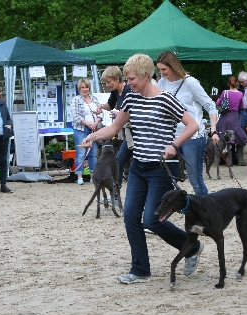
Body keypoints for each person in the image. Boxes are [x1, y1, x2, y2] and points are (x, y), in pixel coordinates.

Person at [81, 53, 202, 284]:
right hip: (138, 166)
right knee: (130, 217)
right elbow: (115, 127)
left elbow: (193, 125)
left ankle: (192, 246)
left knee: (152, 220)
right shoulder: (130, 99)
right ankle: (140, 270)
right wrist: (93, 137)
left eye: (132, 78)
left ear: (146, 76)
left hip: (162, 168)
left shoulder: (166, 99)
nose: (129, 83)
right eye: (127, 79)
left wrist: (174, 145)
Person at [156, 51, 219, 195]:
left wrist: (214, 130)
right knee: (168, 177)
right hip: (171, 137)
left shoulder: (190, 82)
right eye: (159, 69)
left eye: (163, 69)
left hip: (193, 137)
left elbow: (210, 105)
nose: (161, 73)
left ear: (172, 66)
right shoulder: (161, 83)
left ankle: (206, 212)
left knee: (195, 179)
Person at [96, 66, 133, 190]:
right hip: (127, 133)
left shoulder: (129, 90)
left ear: (117, 79)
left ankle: (116, 192)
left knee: (120, 161)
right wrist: (100, 106)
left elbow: (126, 112)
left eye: (109, 82)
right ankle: (116, 192)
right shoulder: (115, 92)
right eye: (106, 82)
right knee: (119, 161)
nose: (107, 85)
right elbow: (111, 105)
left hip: (135, 133)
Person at [71, 78, 102, 185]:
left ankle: (93, 176)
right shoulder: (76, 99)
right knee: (81, 153)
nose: (85, 89)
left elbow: (100, 113)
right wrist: (89, 124)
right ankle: (80, 177)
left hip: (94, 129)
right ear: (79, 89)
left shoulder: (94, 99)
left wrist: (96, 122)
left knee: (93, 153)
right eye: (82, 87)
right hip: (81, 129)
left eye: (86, 87)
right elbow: (76, 117)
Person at [215, 76, 247, 166]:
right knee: (240, 137)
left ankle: (228, 161)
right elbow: (241, 106)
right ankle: (240, 159)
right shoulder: (240, 94)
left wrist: (218, 100)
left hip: (224, 118)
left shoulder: (225, 92)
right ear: (237, 83)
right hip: (234, 117)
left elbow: (218, 103)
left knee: (225, 138)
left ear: (228, 83)